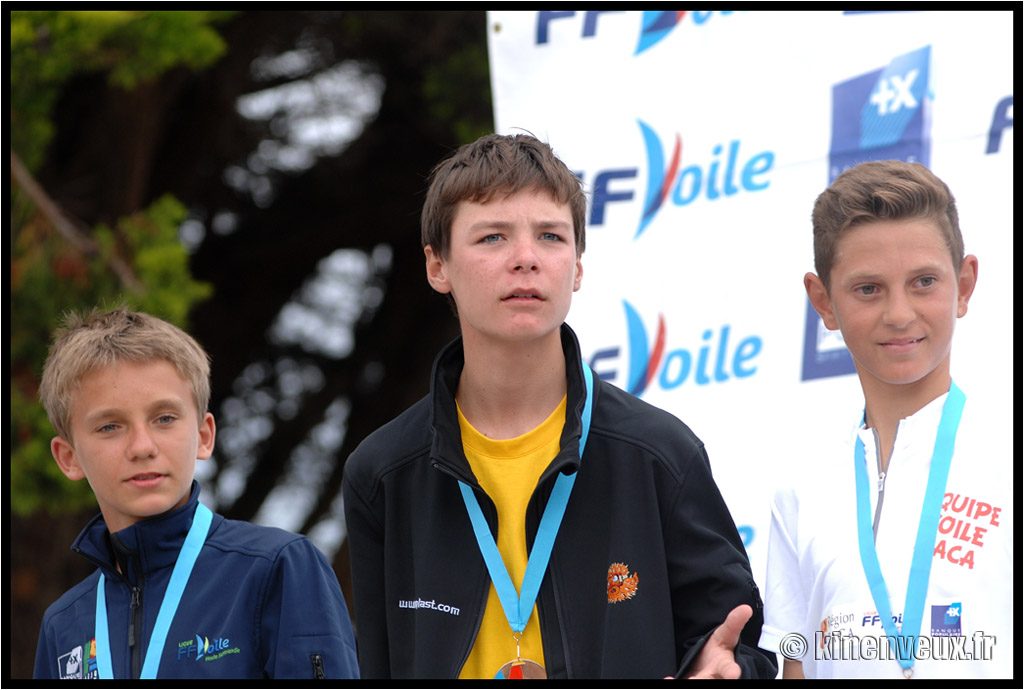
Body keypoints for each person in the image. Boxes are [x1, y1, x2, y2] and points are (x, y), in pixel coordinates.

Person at [342, 133, 776, 679]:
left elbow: (738, 646)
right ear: (437, 266)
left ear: (576, 266)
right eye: (493, 237)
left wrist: (728, 669)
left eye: (550, 236)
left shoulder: (660, 453)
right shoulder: (382, 471)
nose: (525, 259)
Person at [759, 160, 1012, 678]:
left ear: (964, 286)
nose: (899, 313)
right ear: (824, 302)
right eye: (868, 289)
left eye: (923, 282)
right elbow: (797, 670)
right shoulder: (801, 487)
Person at [33, 307, 360, 680]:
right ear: (69, 457)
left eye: (164, 419)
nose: (142, 446)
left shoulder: (277, 568)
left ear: (204, 436)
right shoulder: (63, 625)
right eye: (110, 426)